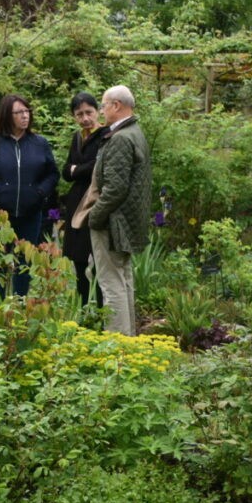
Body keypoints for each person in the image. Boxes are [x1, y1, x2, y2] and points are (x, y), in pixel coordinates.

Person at [0, 94, 59, 296]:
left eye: (27, 111)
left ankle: (20, 306)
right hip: (1, 214)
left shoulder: (39, 143)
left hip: (31, 213)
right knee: (0, 262)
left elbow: (53, 173)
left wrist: (40, 192)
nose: (25, 116)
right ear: (6, 115)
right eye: (19, 112)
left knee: (24, 263)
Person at [88, 85, 151, 336]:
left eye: (103, 105)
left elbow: (114, 188)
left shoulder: (121, 138)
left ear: (116, 105)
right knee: (123, 280)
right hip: (127, 221)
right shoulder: (135, 132)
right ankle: (128, 341)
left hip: (113, 222)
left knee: (111, 283)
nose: (101, 111)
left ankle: (116, 347)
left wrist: (94, 217)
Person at [61, 92, 109, 301]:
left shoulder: (105, 135)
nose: (85, 118)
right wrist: (75, 170)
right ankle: (82, 304)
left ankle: (99, 305)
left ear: (98, 111)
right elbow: (65, 171)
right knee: (78, 258)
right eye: (79, 114)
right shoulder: (78, 137)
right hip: (76, 202)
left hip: (95, 201)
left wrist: (75, 170)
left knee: (98, 257)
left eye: (88, 112)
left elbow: (97, 168)